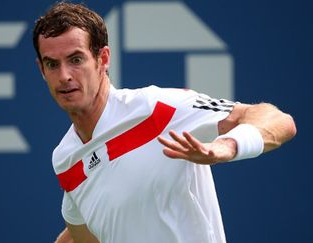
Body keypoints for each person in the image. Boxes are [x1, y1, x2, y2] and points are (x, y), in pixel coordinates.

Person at [32, 2, 297, 243]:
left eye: (76, 59)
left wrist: (227, 146)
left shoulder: (159, 108)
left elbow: (279, 121)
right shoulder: (65, 158)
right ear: (42, 70)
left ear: (102, 59)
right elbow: (83, 236)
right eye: (52, 64)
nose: (64, 75)